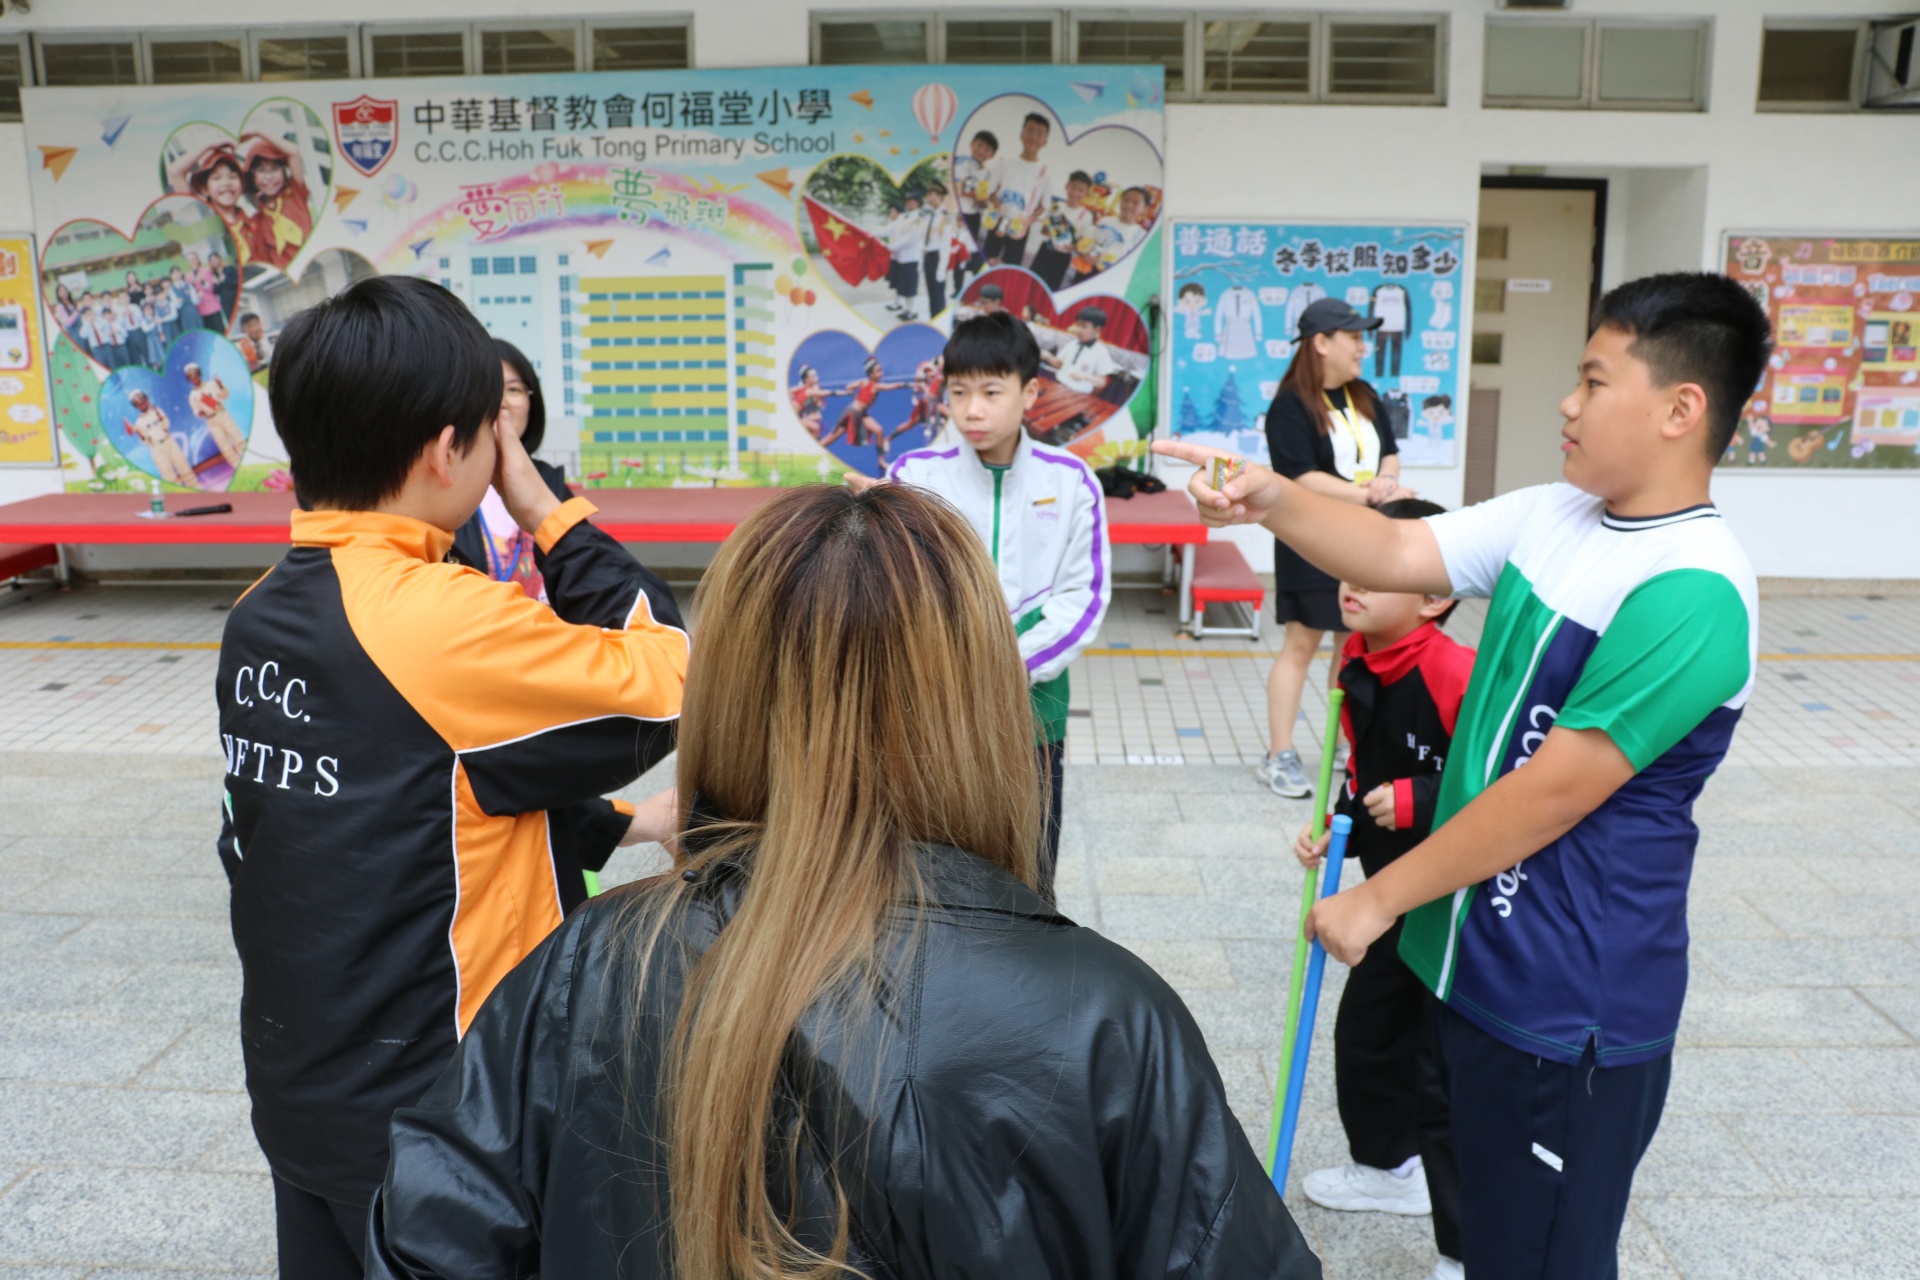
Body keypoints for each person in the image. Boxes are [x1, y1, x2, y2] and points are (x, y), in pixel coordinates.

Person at [366, 482, 1319, 1280]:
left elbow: (427, 1240)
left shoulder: (590, 961)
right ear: (981, 699)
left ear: (729, 694)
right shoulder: (1107, 1017)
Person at [1155, 272, 1771, 1280]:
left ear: (1680, 408)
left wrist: (1378, 897)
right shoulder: (1559, 514)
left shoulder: (1693, 589)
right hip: (1478, 960)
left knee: (1544, 1255)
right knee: (1491, 1240)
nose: (1566, 404)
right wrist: (1272, 496)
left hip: (1567, 1000)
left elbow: (1552, 793)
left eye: (1593, 381)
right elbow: (1397, 544)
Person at [215, 275, 689, 1279]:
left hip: (306, 1088)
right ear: (448, 450)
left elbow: (415, 800)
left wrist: (622, 822)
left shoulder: (260, 612)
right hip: (446, 1112)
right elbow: (668, 677)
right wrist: (547, 510)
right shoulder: (443, 619)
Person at [1290, 497, 1472, 1280]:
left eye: (1376, 567)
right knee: (1367, 1034)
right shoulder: (1356, 661)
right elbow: (1360, 771)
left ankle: (1465, 1251)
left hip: (1459, 902)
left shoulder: (1455, 671)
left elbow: (1508, 780)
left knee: (1443, 1071)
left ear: (1433, 596)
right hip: (1389, 893)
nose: (1350, 581)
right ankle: (1387, 1167)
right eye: (1349, 565)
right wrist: (1340, 829)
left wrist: (1422, 799)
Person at [880, 311, 1110, 899]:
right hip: (935, 710)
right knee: (933, 871)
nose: (972, 410)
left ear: (1030, 392)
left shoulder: (1072, 481)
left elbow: (1082, 598)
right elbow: (898, 594)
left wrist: (1009, 668)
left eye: (990, 392)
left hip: (1034, 712)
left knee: (1030, 871)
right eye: (958, 392)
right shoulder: (913, 477)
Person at [447, 338, 649, 915]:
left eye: (515, 389)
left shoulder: (548, 485)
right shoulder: (446, 498)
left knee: (553, 789)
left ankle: (568, 891)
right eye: (490, 389)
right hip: (478, 670)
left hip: (545, 664)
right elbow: (664, 671)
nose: (503, 402)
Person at [1256, 297, 1405, 799]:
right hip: (1309, 537)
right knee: (1301, 646)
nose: (1363, 346)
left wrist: (1386, 482)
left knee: (1351, 646)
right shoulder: (1289, 405)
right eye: (1354, 337)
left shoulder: (1364, 394)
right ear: (1321, 343)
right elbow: (1299, 477)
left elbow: (1390, 453)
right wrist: (1367, 494)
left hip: (1362, 536)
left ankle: (1346, 744)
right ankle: (1279, 754)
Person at [982, 112, 1052, 268]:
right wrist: (997, 206)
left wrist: (1028, 221)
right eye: (1030, 131)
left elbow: (1044, 207)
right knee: (987, 262)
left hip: (1020, 226)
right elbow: (990, 192)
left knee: (1010, 267)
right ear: (1022, 134)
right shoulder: (1005, 162)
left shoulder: (1045, 173)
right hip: (997, 220)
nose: (1033, 137)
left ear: (1044, 141)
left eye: (1039, 134)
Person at [174, 145, 256, 270]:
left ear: (242, 184)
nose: (226, 183)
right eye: (217, 178)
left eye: (233, 177)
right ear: (204, 189)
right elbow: (176, 172)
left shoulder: (255, 222)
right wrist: (209, 146)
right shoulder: (204, 221)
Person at [242, 132, 312, 269]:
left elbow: (294, 152)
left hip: (315, 263)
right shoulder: (257, 222)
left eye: (274, 169)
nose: (269, 177)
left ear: (283, 171)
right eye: (262, 171)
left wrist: (258, 132)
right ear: (252, 177)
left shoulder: (295, 193)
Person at [950, 128, 998, 292]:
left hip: (974, 217)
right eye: (979, 145)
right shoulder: (959, 162)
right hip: (959, 215)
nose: (982, 151)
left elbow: (984, 201)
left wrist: (983, 201)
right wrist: (972, 194)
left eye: (987, 149)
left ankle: (975, 287)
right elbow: (956, 188)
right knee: (959, 254)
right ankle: (957, 290)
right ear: (972, 144)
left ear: (992, 154)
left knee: (973, 253)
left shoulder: (988, 173)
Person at [1030, 169, 1095, 289]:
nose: (1075, 193)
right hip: (1046, 249)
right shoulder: (1056, 206)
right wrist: (1050, 230)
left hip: (1063, 257)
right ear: (1067, 186)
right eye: (1073, 188)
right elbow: (1043, 231)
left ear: (1086, 193)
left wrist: (1073, 247)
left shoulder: (1086, 215)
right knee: (1032, 282)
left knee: (1052, 287)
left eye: (1080, 190)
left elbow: (1083, 243)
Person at [1044, 305, 1123, 396]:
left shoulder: (1101, 352)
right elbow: (1060, 365)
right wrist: (1048, 357)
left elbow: (1102, 382)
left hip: (1078, 394)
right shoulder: (1072, 344)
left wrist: (1084, 377)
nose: (1078, 330)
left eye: (1084, 327)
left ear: (1097, 329)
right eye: (1077, 325)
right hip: (1058, 385)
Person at [125, 389, 197, 489]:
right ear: (135, 406)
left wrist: (157, 413)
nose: (141, 404)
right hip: (157, 448)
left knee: (184, 466)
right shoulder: (139, 422)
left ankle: (196, 487)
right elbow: (146, 441)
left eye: (142, 400)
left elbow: (166, 425)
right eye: (138, 403)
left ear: (146, 399)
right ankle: (178, 494)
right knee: (168, 476)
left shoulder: (157, 411)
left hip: (169, 441)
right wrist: (138, 432)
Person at [183, 362, 246, 471]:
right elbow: (196, 411)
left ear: (199, 374)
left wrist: (220, 385)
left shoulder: (211, 385)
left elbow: (225, 395)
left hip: (222, 415)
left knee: (237, 438)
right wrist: (200, 412)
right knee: (224, 446)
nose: (194, 378)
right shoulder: (192, 395)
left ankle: (247, 460)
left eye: (196, 375)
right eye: (191, 377)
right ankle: (237, 467)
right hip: (211, 421)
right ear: (189, 379)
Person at [884, 192, 925, 321]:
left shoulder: (918, 219)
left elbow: (909, 240)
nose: (908, 203)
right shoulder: (903, 217)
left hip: (910, 258)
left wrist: (890, 247)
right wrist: (872, 235)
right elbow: (889, 229)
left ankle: (912, 310)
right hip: (899, 257)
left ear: (917, 203)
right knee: (901, 284)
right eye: (907, 200)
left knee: (909, 286)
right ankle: (904, 307)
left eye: (911, 200)